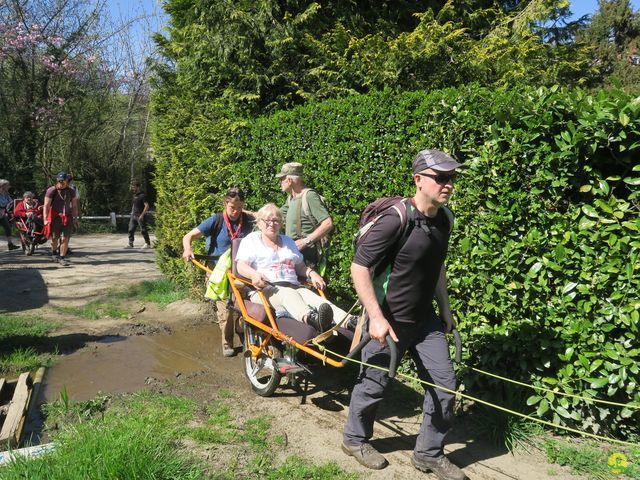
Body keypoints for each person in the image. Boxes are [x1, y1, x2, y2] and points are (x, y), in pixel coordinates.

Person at [342, 149, 466, 480]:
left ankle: (428, 453)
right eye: (440, 178)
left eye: (451, 178)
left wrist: (446, 308)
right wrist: (376, 316)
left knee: (445, 384)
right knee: (373, 384)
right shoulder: (396, 219)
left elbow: (436, 266)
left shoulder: (445, 220)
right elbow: (359, 266)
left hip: (425, 321)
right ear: (419, 180)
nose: (448, 184)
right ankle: (354, 440)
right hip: (389, 321)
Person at [236, 203, 356, 333]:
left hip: (294, 286)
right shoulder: (251, 240)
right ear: (259, 223)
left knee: (317, 300)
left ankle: (350, 322)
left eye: (276, 220)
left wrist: (311, 273)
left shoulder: (288, 241)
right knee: (288, 294)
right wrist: (254, 275)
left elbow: (300, 267)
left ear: (281, 224)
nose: (272, 224)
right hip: (265, 289)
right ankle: (313, 319)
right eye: (267, 220)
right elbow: (241, 266)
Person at [182, 187, 254, 357]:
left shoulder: (248, 220)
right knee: (226, 310)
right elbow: (188, 236)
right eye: (232, 207)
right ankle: (227, 343)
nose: (235, 212)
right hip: (217, 274)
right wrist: (188, 249)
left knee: (243, 307)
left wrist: (248, 212)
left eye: (239, 207)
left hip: (240, 273)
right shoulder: (216, 220)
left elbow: (265, 217)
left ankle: (240, 331)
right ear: (225, 204)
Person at [277, 162, 333, 273]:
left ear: (289, 180)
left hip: (307, 255)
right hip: (293, 251)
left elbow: (328, 223)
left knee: (307, 288)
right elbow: (273, 214)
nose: (280, 182)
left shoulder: (309, 196)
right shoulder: (291, 199)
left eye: (281, 179)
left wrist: (306, 241)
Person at [43, 172, 79, 267]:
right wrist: (45, 219)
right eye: (59, 180)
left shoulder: (71, 191)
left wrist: (75, 217)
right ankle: (54, 253)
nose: (61, 182)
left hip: (68, 217)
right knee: (55, 238)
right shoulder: (51, 190)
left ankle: (62, 257)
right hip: (55, 217)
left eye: (63, 181)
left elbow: (74, 205)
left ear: (67, 181)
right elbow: (46, 206)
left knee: (65, 238)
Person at [125, 180, 151, 249]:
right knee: (130, 229)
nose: (132, 188)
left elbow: (147, 206)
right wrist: (132, 212)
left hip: (140, 215)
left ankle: (147, 243)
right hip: (133, 215)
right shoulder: (134, 195)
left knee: (143, 230)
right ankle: (130, 244)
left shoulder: (143, 195)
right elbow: (134, 204)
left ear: (137, 187)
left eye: (133, 187)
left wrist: (142, 215)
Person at [0, 179, 19, 251]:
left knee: (8, 228)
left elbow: (11, 202)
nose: (9, 187)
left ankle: (10, 244)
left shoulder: (6, 194)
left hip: (2, 214)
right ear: (3, 186)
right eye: (8, 185)